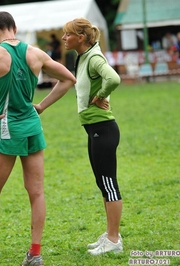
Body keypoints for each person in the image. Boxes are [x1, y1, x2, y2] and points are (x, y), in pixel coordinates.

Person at [0, 11, 76, 266]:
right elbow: (69, 78)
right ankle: (35, 254)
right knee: (36, 193)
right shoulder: (35, 53)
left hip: (7, 127)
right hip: (33, 126)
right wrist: (42, 106)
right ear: (14, 27)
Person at [62, 18, 123, 255]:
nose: (64, 38)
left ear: (81, 37)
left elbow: (114, 78)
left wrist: (100, 95)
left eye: (68, 34)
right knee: (102, 184)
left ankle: (114, 240)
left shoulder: (94, 58)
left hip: (103, 129)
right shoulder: (84, 56)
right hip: (94, 130)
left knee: (109, 184)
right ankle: (110, 234)